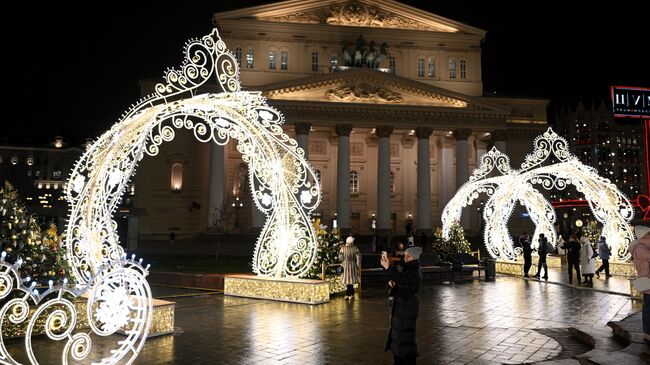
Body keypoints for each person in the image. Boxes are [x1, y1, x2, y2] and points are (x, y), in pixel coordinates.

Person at [381, 246, 422, 365]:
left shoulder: (414, 271)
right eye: (405, 256)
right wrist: (393, 283)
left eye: (408, 256)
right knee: (398, 338)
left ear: (414, 258)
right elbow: (400, 281)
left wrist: (389, 268)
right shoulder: (407, 269)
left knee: (405, 340)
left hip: (407, 308)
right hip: (401, 307)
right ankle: (399, 361)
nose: (405, 258)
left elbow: (402, 279)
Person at [629, 225, 650, 338]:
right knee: (648, 306)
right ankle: (647, 332)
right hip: (646, 280)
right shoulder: (640, 248)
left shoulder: (644, 246)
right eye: (648, 233)